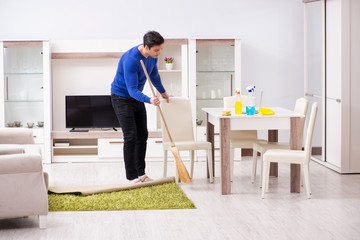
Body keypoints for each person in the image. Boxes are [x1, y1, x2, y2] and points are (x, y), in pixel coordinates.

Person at [111, 31, 169, 184]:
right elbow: (131, 89)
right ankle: (131, 177)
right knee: (130, 136)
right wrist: (150, 100)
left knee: (143, 135)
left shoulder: (152, 57)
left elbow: (154, 75)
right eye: (156, 50)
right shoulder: (131, 59)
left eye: (160, 49)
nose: (159, 52)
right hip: (121, 97)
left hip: (136, 97)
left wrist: (162, 92)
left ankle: (141, 173)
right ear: (146, 47)